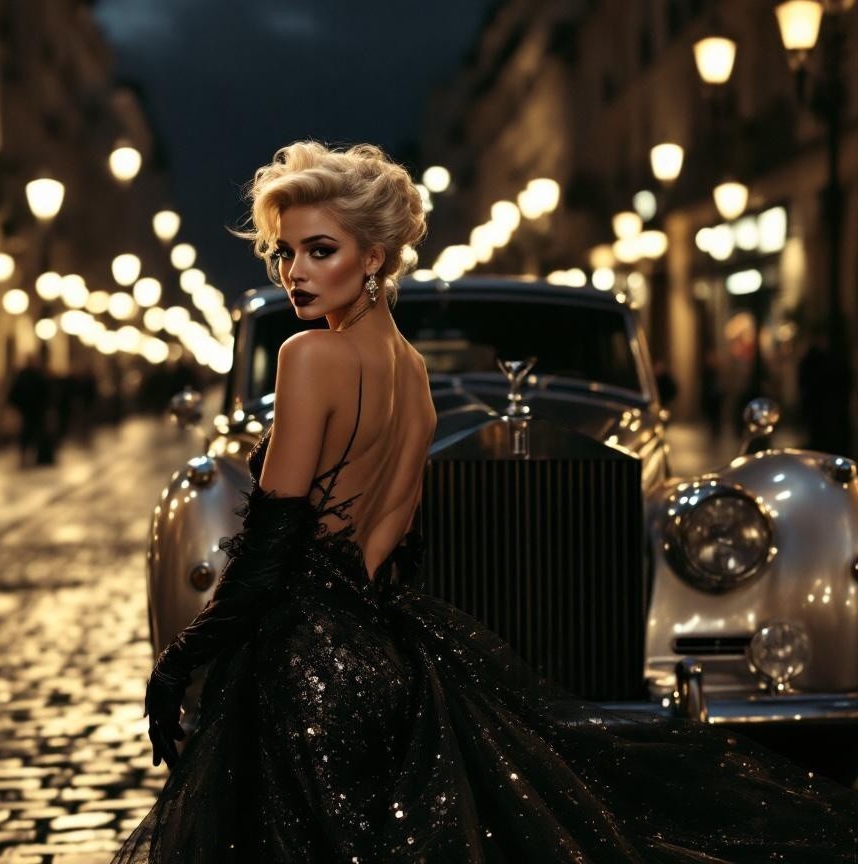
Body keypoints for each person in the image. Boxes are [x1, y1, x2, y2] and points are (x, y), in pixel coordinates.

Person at [114, 143, 858, 863]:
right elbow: (388, 545)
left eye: (318, 250)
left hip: (302, 655)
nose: (294, 274)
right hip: (387, 653)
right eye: (284, 254)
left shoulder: (308, 357)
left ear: (372, 257)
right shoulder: (413, 378)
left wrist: (184, 657)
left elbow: (273, 537)